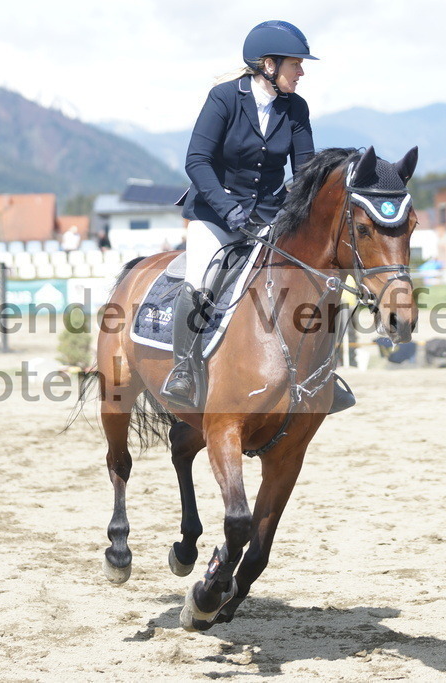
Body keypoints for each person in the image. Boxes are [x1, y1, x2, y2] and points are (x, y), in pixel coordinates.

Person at [162, 20, 347, 410]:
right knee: (200, 280)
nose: (301, 71)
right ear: (268, 65)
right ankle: (182, 369)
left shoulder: (295, 107)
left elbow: (306, 169)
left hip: (269, 216)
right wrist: (227, 209)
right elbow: (196, 161)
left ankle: (323, 372)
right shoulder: (224, 98)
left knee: (314, 282)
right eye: (295, 64)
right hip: (215, 213)